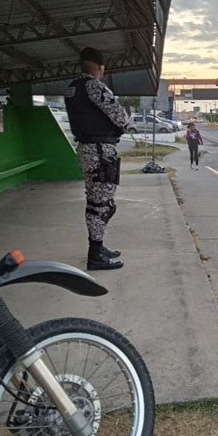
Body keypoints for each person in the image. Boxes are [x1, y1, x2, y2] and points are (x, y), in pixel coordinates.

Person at [65, 47, 129, 271]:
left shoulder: (73, 88)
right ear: (100, 67)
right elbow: (121, 118)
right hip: (100, 151)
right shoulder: (94, 86)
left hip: (87, 148)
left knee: (97, 202)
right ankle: (95, 255)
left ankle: (98, 247)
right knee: (101, 205)